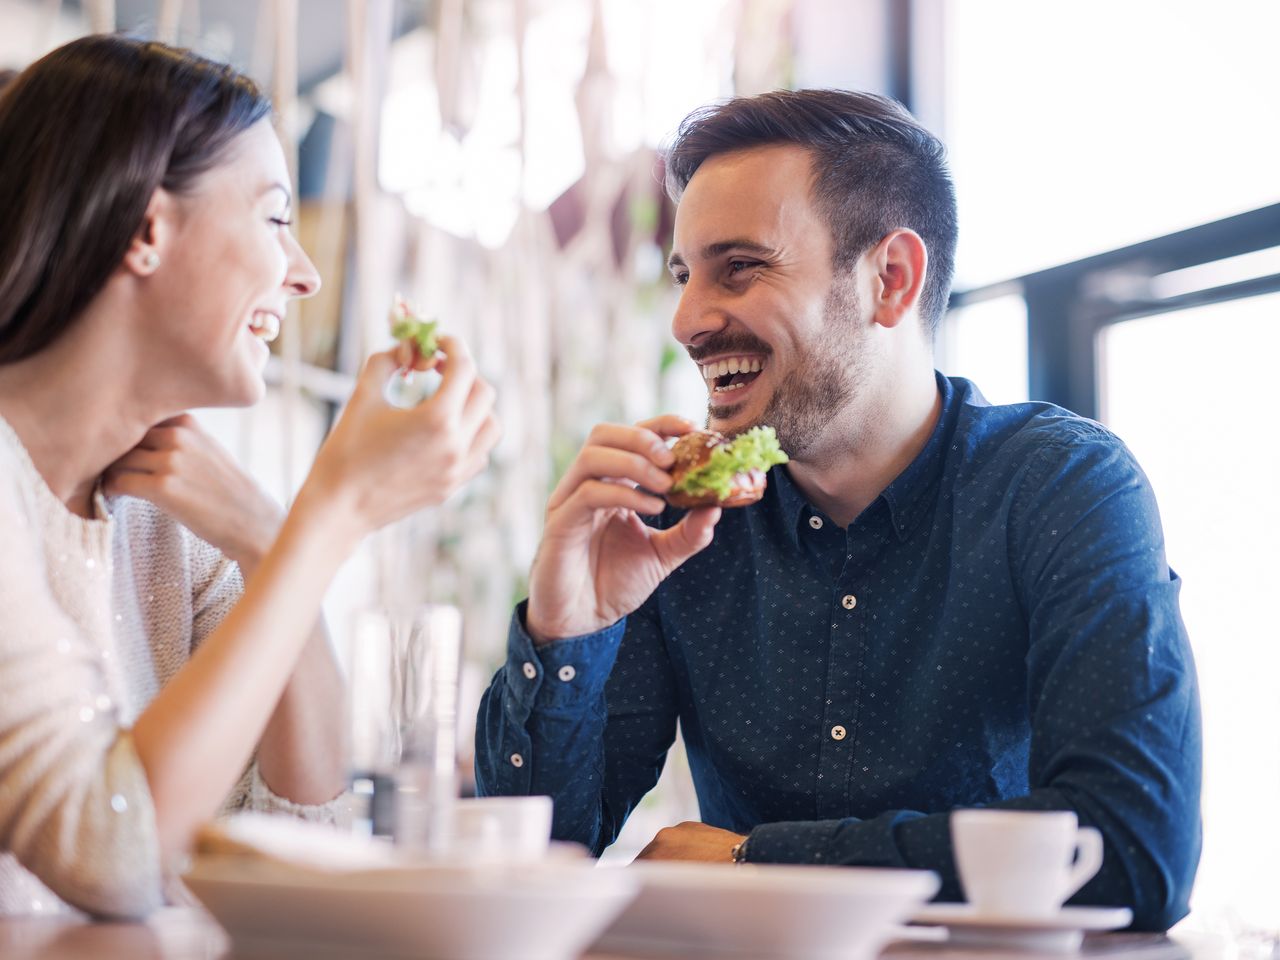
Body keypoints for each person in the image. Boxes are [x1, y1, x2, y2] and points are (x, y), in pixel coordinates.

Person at [476, 89, 1200, 931]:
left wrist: (761, 861)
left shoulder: (1061, 488)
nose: (687, 320)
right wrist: (568, 629)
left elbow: (1136, 850)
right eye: (683, 274)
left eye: (738, 267)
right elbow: (529, 864)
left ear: (890, 280)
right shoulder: (676, 525)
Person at [0, 37, 499, 918]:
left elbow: (302, 835)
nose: (304, 273)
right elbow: (111, 852)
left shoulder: (167, 522)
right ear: (145, 231)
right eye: (274, 218)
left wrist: (274, 542)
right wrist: (329, 517)